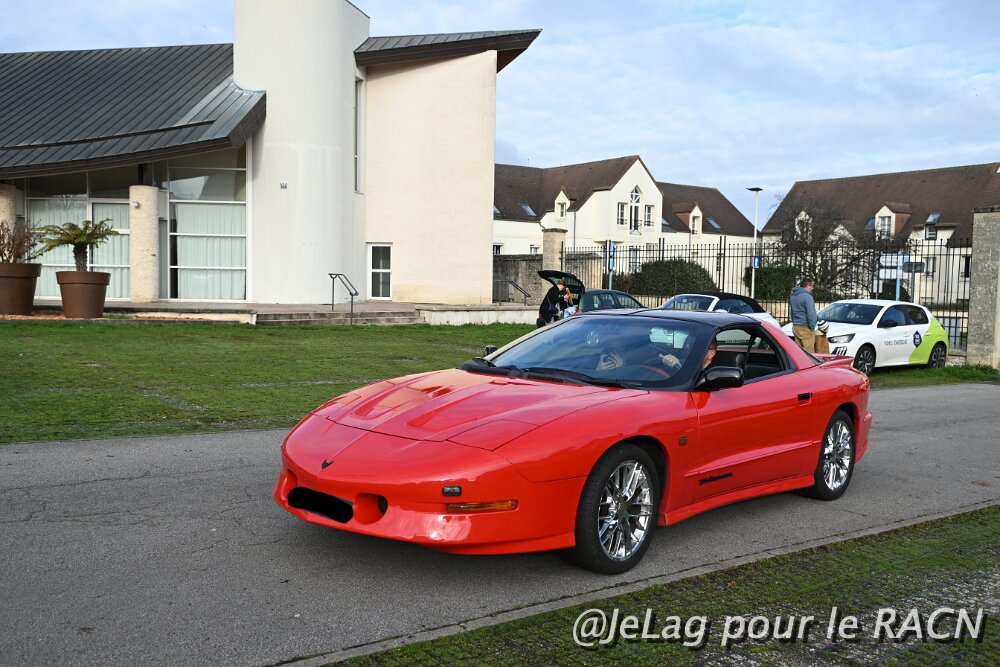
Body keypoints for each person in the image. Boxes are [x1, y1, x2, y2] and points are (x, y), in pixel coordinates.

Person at [790, 278, 818, 352]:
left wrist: (794, 322)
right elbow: (811, 314)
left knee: (798, 352)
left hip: (796, 326)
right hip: (805, 327)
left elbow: (792, 312)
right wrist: (812, 328)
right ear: (808, 285)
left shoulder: (793, 296)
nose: (813, 288)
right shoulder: (808, 297)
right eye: (812, 286)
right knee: (809, 354)